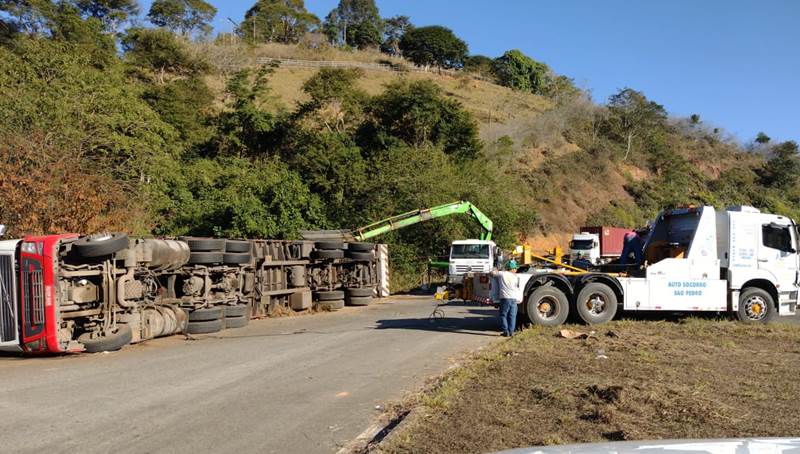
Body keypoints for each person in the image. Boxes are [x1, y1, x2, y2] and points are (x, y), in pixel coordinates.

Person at [492, 260, 521, 337]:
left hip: (505, 298)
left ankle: (506, 331)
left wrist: (495, 269)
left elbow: (492, 273)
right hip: (514, 299)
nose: (516, 270)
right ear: (512, 269)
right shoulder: (516, 276)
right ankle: (511, 332)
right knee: (512, 316)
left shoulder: (502, 274)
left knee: (503, 315)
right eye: (515, 268)